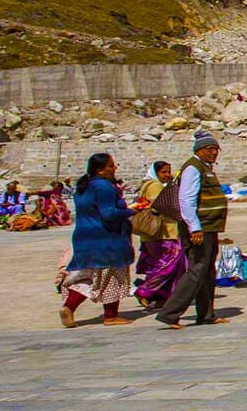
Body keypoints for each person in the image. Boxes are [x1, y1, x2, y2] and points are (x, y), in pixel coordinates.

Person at [156, 130, 228, 329]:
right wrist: (194, 228)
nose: (214, 152)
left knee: (207, 272)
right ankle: (169, 314)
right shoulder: (193, 168)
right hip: (199, 229)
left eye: (216, 148)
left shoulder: (205, 167)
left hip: (209, 228)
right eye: (210, 149)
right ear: (200, 150)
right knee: (197, 270)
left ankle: (206, 314)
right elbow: (186, 200)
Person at [59, 153, 134, 328]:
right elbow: (109, 214)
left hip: (84, 238)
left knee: (88, 276)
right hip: (106, 239)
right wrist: (131, 211)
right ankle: (110, 315)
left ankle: (69, 307)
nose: (114, 168)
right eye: (110, 166)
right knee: (112, 276)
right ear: (100, 171)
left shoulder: (83, 187)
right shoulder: (105, 187)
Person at [134, 160, 187, 309]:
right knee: (170, 264)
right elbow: (163, 206)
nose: (167, 175)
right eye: (163, 172)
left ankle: (161, 297)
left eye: (168, 172)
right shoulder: (155, 186)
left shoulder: (148, 185)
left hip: (154, 234)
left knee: (157, 265)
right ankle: (145, 291)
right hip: (163, 233)